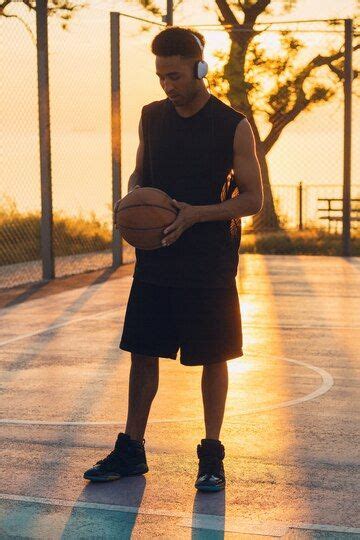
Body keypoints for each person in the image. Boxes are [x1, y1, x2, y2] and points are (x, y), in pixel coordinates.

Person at [84, 26, 263, 492]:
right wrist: (131, 206)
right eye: (162, 76)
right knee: (142, 353)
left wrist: (195, 215)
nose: (168, 85)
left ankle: (211, 455)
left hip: (209, 261)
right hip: (157, 258)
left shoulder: (232, 124)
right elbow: (140, 174)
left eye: (176, 75)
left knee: (214, 358)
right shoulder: (150, 117)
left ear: (199, 69)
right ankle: (131, 450)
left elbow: (253, 199)